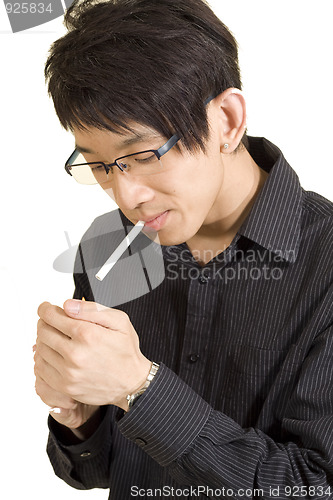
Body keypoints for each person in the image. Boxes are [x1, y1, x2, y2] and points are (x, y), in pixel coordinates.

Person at [34, 0, 333, 498]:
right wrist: (79, 421)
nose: (126, 196)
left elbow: (315, 486)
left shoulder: (324, 264)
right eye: (102, 166)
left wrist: (141, 386)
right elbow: (99, 471)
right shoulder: (110, 249)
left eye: (142, 155)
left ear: (227, 120)